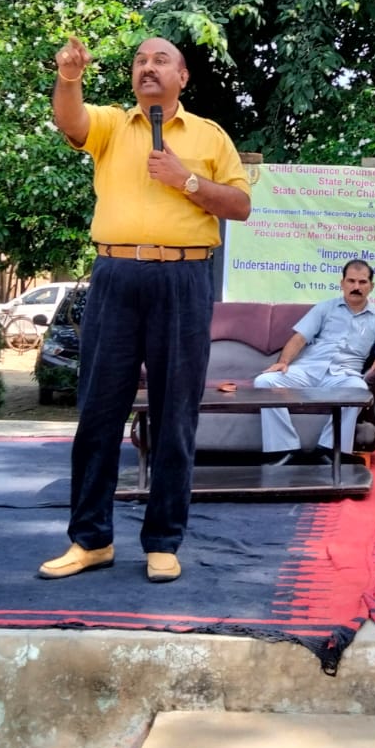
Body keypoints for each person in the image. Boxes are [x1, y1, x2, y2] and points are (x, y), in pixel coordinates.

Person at [38, 36, 251, 583]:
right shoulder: (113, 124)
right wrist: (69, 76)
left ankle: (162, 541)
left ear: (183, 76)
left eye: (160, 60)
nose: (147, 67)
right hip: (116, 274)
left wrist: (187, 180)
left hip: (184, 278)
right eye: (139, 60)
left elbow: (240, 205)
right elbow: (70, 121)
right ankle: (91, 540)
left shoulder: (210, 135)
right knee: (98, 412)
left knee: (175, 415)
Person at [256, 260, 375, 463]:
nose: (356, 287)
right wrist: (283, 362)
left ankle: (330, 450)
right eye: (351, 281)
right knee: (264, 382)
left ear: (371, 286)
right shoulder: (325, 308)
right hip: (308, 370)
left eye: (362, 282)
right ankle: (284, 449)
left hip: (343, 376)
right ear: (342, 283)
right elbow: (299, 338)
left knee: (359, 390)